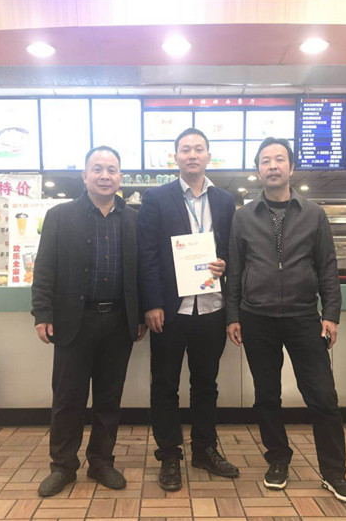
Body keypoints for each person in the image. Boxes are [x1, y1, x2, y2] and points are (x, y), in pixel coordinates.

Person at [225, 137, 346, 503]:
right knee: (266, 396)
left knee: (323, 396)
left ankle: (334, 473)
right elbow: (235, 270)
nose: (273, 165)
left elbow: (327, 267)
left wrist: (331, 314)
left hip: (304, 317)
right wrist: (233, 315)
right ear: (258, 170)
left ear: (291, 167)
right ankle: (278, 459)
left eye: (279, 159)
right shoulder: (243, 216)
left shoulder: (313, 214)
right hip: (256, 317)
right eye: (265, 160)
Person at [31, 146, 146, 497]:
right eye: (97, 169)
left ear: (121, 178)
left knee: (109, 398)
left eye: (112, 169)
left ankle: (101, 462)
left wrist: (140, 313)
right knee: (68, 399)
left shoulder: (134, 219)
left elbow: (142, 271)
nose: (105, 175)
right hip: (73, 321)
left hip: (119, 321)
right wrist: (42, 312)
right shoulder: (60, 216)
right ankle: (63, 466)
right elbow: (44, 268)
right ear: (84, 176)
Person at [137, 128, 239, 491]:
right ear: (176, 157)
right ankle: (168, 454)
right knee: (164, 384)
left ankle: (204, 449)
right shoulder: (156, 197)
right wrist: (151, 303)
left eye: (198, 149)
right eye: (185, 150)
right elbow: (147, 254)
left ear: (209, 156)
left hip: (212, 307)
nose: (192, 155)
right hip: (170, 309)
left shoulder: (225, 200)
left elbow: (231, 249)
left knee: (206, 383)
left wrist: (225, 263)